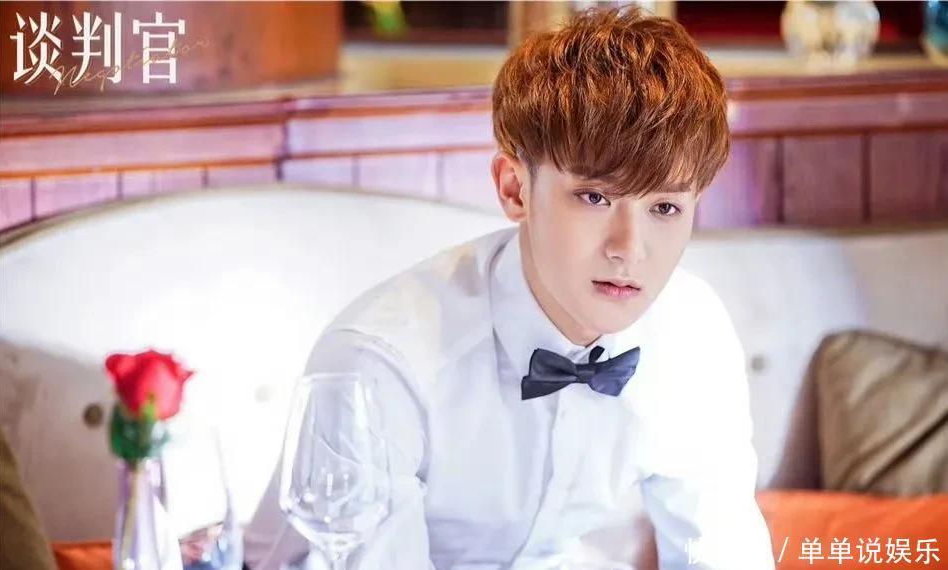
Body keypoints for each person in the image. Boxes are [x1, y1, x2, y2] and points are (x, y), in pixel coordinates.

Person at [244, 7, 775, 569]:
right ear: (515, 190)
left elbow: (721, 550)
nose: (629, 248)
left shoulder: (691, 328)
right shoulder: (381, 364)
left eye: (665, 208)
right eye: (595, 198)